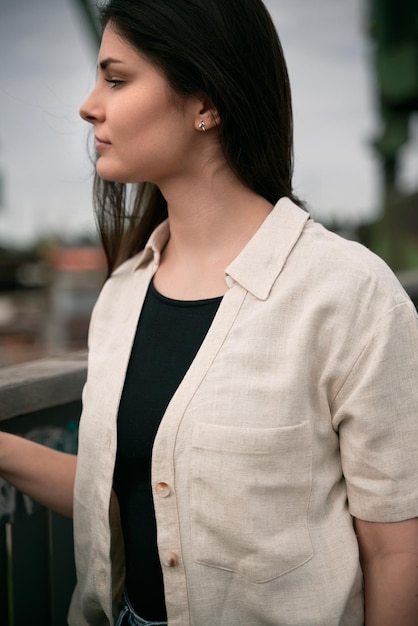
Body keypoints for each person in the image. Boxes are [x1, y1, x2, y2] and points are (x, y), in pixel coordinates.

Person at [1, 0, 418, 624]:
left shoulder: (348, 294)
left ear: (206, 104)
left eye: (116, 79)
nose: (90, 105)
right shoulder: (120, 294)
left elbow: (395, 551)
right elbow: (121, 498)